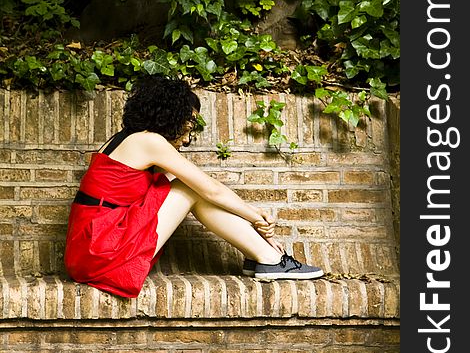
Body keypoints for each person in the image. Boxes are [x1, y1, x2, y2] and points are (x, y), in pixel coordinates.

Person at [64, 75, 324, 298]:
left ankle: (263, 257)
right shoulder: (148, 142)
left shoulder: (123, 140)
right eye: (187, 126)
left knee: (183, 186)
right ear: (169, 117)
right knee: (188, 188)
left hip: (90, 245)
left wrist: (265, 238)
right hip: (100, 250)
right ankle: (269, 260)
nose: (188, 139)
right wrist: (258, 218)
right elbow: (210, 190)